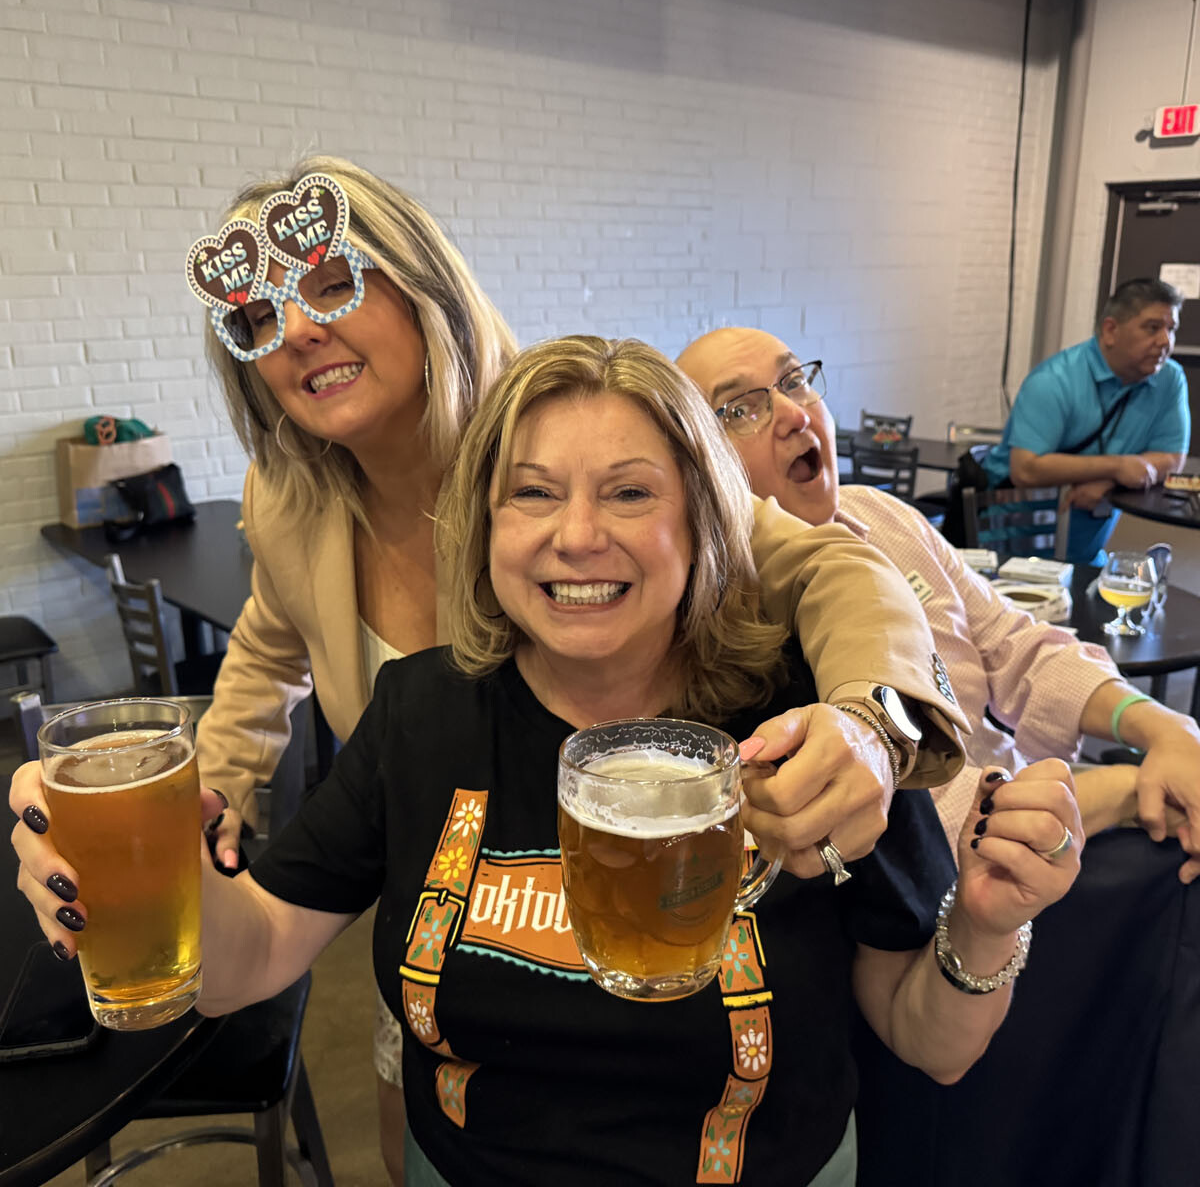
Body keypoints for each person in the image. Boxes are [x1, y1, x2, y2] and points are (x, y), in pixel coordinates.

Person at [10, 336, 1082, 1186]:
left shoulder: (810, 729)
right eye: (531, 493)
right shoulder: (421, 713)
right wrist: (138, 863)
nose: (576, 536)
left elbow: (933, 1042)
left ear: (704, 524)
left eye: (628, 493)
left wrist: (990, 922)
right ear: (483, 526)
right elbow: (251, 959)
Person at [177, 156, 969, 1180]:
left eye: (332, 283)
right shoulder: (294, 503)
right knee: (424, 1104)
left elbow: (827, 566)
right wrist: (193, 808)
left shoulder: (560, 415)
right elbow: (266, 645)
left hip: (708, 1086)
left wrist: (867, 719)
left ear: (423, 289)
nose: (303, 332)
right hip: (435, 907)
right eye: (257, 318)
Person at [676, 326, 1200, 882]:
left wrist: (1162, 728)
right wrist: (1125, 789)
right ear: (699, 470)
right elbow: (924, 822)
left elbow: (1015, 643)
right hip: (975, 885)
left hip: (1047, 804)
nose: (794, 414)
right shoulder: (738, 623)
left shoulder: (879, 515)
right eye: (740, 410)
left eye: (795, 381)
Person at [980, 278, 1190, 565]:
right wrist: (1118, 467)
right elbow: (1026, 469)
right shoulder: (1054, 381)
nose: (1165, 341)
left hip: (1085, 552)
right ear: (1111, 330)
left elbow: (1171, 458)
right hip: (1011, 551)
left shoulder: (1169, 379)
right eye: (1152, 328)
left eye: (1171, 329)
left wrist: (1108, 482)